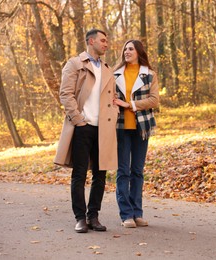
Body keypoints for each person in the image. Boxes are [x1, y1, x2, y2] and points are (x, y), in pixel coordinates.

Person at [54, 29, 118, 233]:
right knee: (79, 174)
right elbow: (65, 94)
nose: (106, 44)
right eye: (103, 40)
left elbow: (113, 98)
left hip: (104, 129)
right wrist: (78, 119)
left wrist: (114, 112)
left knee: (100, 175)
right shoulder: (75, 64)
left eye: (106, 41)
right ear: (91, 41)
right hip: (83, 127)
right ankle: (80, 218)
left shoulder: (108, 68)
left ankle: (94, 216)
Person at [113, 40, 159, 228]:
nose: (126, 51)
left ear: (139, 52)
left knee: (137, 172)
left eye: (130, 49)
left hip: (142, 127)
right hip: (121, 127)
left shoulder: (149, 75)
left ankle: (137, 212)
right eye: (125, 49)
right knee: (123, 171)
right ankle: (126, 215)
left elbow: (154, 100)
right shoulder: (114, 74)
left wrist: (129, 105)